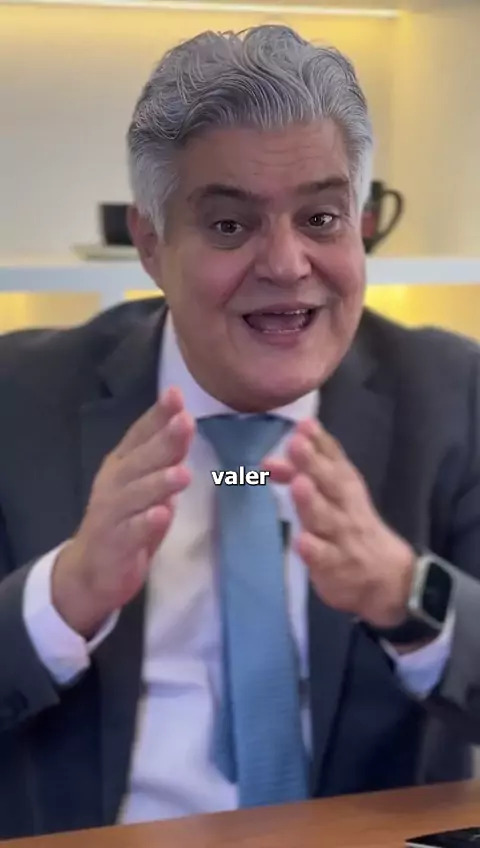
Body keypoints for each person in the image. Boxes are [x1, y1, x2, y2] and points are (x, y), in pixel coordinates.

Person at [1, 23, 480, 841]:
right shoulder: (20, 396)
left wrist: (407, 592)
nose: (287, 265)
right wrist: (64, 595)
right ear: (151, 244)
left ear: (361, 225)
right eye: (230, 226)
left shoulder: (451, 391)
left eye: (321, 218)